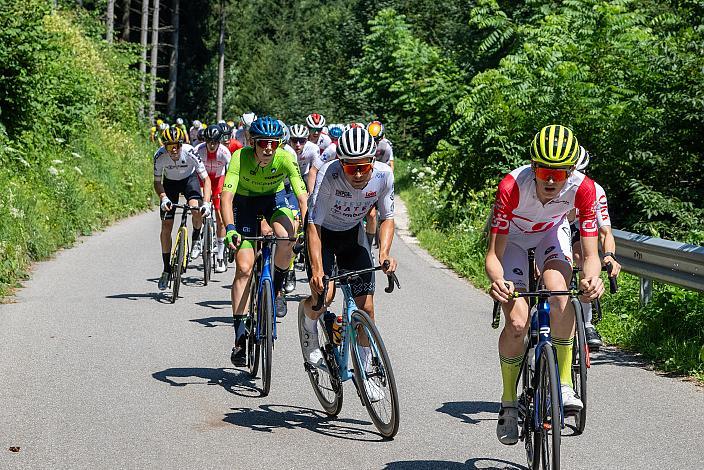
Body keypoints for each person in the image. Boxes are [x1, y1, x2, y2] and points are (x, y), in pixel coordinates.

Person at [485, 124, 604, 445]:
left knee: (561, 296)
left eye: (560, 172)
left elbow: (591, 254)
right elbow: (493, 255)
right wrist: (497, 281)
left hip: (552, 234)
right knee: (518, 321)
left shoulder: (584, 188)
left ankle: (564, 382)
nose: (551, 179)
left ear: (571, 170)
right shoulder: (512, 186)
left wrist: (592, 278)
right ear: (533, 166)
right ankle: (509, 402)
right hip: (513, 241)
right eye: (543, 170)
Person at [298, 127, 396, 402]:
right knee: (324, 296)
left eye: (362, 167)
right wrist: (317, 269)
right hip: (324, 236)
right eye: (349, 167)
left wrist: (385, 252)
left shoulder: (383, 175)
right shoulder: (329, 175)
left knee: (366, 307)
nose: (356, 174)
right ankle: (309, 332)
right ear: (340, 162)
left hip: (353, 236)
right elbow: (313, 224)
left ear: (372, 161)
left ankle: (365, 372)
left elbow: (387, 217)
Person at [221, 116, 308, 366]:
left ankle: (277, 290)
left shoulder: (285, 157)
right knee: (245, 268)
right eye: (263, 144)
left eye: (273, 143)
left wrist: (305, 230)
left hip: (274, 200)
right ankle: (239, 336)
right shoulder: (240, 157)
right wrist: (229, 229)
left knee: (286, 239)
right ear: (252, 142)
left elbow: (302, 198)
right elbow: (226, 197)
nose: (268, 148)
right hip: (245, 204)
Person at [569, 146, 621, 349]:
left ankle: (587, 322)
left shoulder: (595, 190)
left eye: (580, 173)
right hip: (559, 227)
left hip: (583, 229)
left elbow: (606, 232)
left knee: (583, 256)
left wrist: (609, 255)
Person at [153, 126, 212, 290]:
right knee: (166, 225)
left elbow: (206, 180)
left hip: (189, 180)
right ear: (164, 145)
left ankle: (196, 237)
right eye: (169, 146)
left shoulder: (190, 151)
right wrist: (163, 198)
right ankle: (166, 269)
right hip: (169, 184)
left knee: (195, 209)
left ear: (181, 144)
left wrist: (206, 203)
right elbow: (157, 182)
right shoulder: (159, 156)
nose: (173, 150)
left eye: (177, 145)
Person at [194, 125, 232, 273]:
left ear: (219, 141)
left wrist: (228, 192)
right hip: (202, 180)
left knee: (220, 217)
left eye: (215, 142)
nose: (211, 145)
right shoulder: (198, 150)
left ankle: (221, 256)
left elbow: (231, 173)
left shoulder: (224, 152)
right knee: (197, 209)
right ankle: (197, 240)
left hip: (218, 181)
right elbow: (192, 170)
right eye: (209, 141)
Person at [306, 125, 343, 191]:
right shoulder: (332, 149)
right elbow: (313, 170)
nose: (334, 140)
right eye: (333, 139)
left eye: (335, 139)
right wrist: (311, 193)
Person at [289, 124, 321, 193]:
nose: (298, 144)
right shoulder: (285, 149)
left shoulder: (313, 148)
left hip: (304, 176)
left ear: (306, 140)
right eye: (294, 140)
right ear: (289, 140)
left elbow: (314, 171)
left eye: (301, 141)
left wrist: (311, 193)